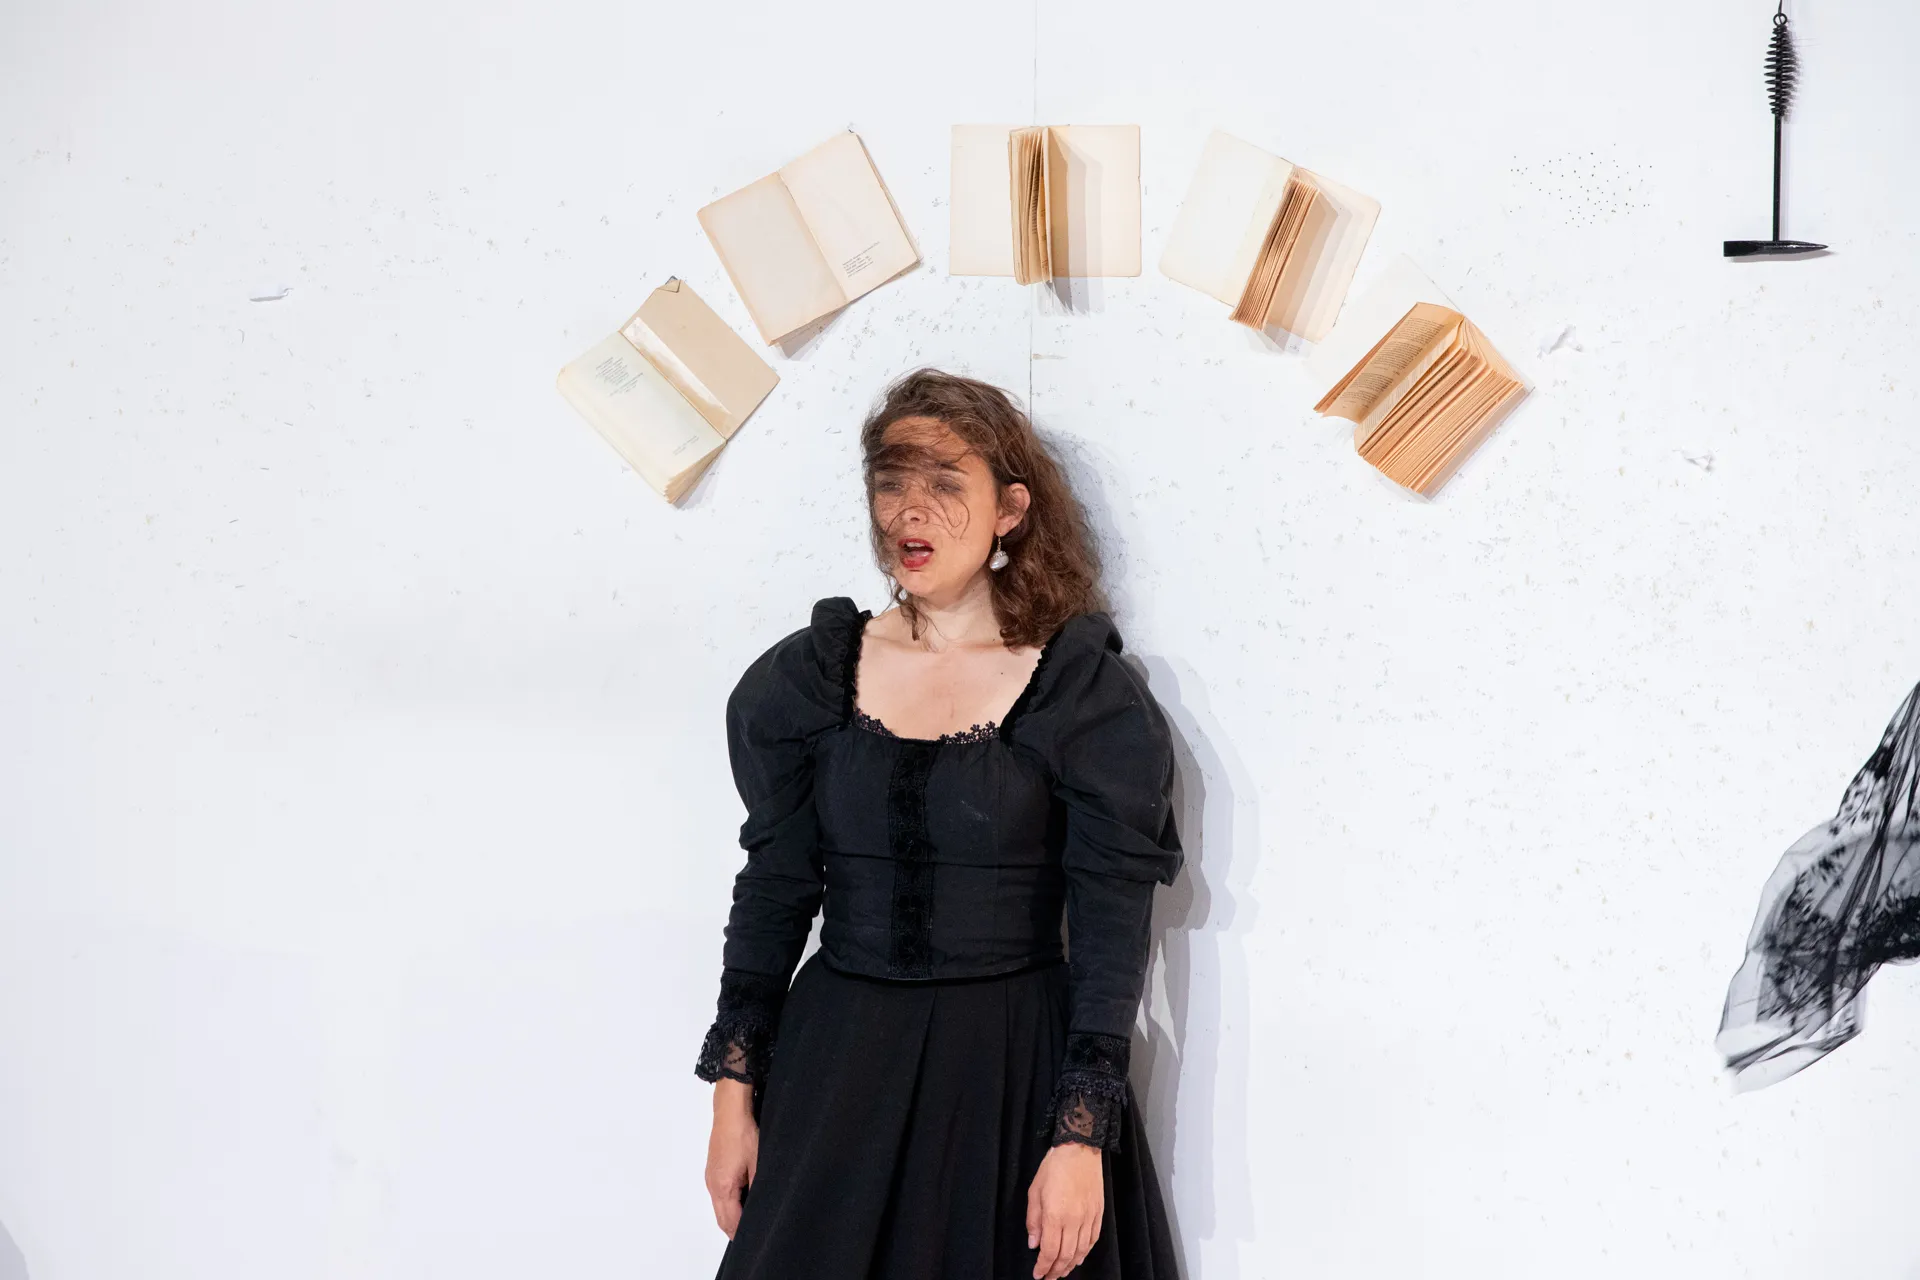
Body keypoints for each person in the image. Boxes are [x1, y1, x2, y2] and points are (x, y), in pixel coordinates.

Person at [694, 369, 1183, 1280]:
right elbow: (773, 891)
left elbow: (1114, 933)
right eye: (891, 482)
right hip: (834, 1068)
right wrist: (735, 1100)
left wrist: (1080, 1138)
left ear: (1010, 508)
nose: (908, 512)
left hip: (1007, 1074)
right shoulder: (809, 680)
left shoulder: (1078, 695)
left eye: (944, 484)